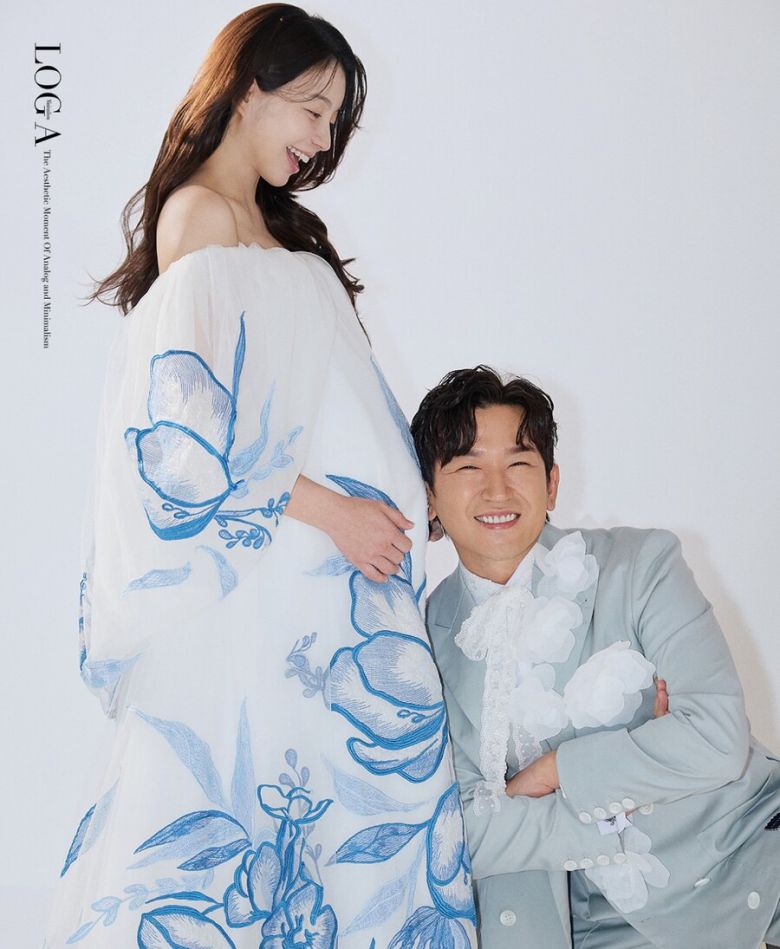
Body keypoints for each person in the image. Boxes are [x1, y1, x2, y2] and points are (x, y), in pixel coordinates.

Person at [46, 8, 477, 946]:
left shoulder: (277, 228)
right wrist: (337, 513)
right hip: (272, 574)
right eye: (311, 110)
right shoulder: (199, 218)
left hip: (334, 582)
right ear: (247, 90)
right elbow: (186, 436)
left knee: (339, 828)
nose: (321, 138)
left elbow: (328, 403)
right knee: (258, 816)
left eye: (332, 120)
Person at [411, 366, 780, 949]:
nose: (497, 490)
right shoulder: (422, 635)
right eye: (468, 467)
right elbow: (458, 834)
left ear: (552, 483)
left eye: (519, 463)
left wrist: (551, 773)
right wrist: (644, 775)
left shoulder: (642, 567)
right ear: (430, 495)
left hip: (745, 874)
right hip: (571, 928)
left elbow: (716, 739)